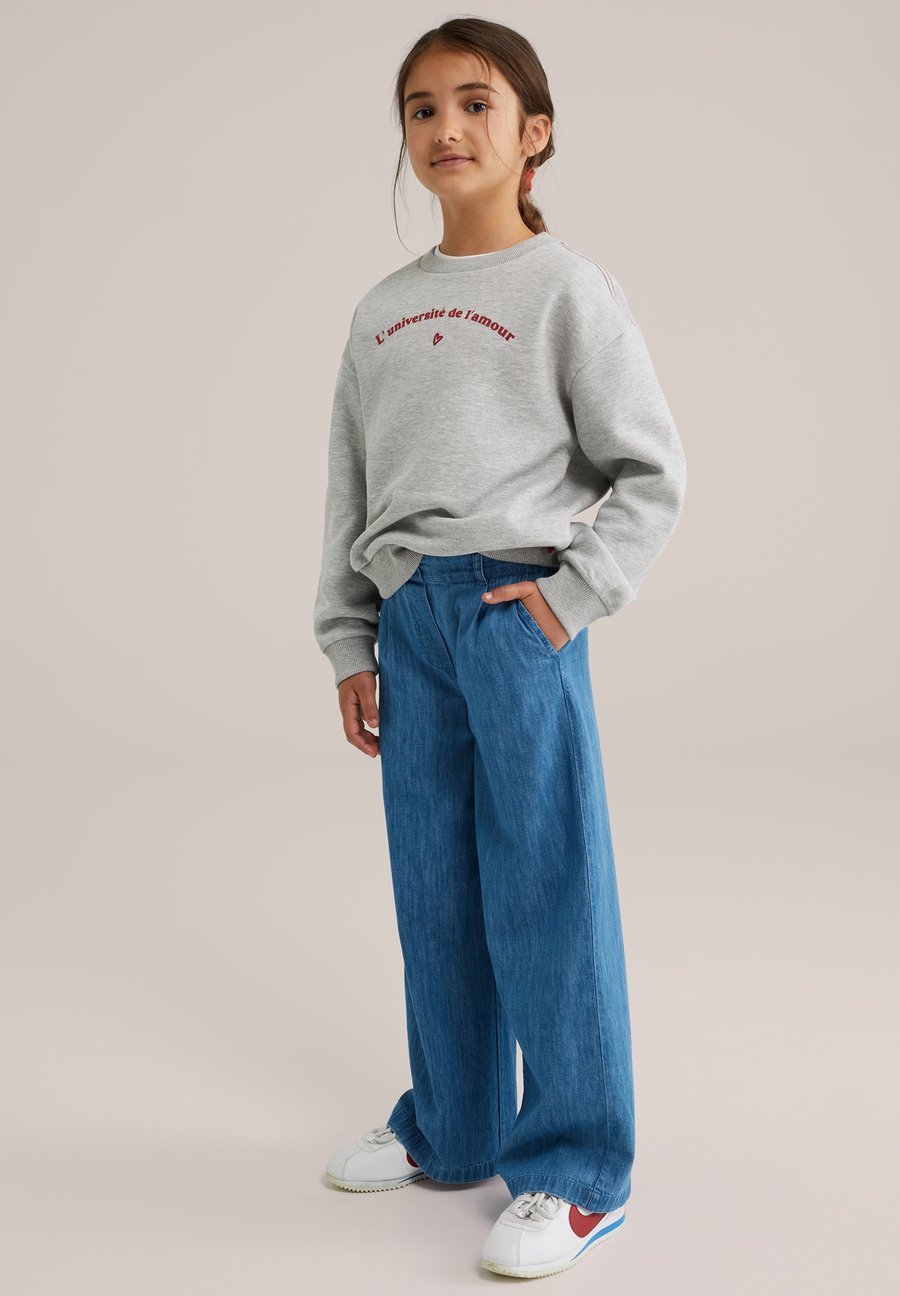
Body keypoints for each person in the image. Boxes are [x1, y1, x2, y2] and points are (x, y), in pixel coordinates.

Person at [313, 17, 687, 1281]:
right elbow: (350, 490)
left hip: (515, 615)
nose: (446, 127)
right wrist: (350, 638)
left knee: (545, 885)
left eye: (476, 103)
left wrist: (570, 600)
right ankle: (454, 1128)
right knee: (436, 887)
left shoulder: (567, 290)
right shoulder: (379, 313)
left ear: (535, 133)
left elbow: (652, 472)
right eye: (422, 108)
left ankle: (577, 1172)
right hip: (411, 619)